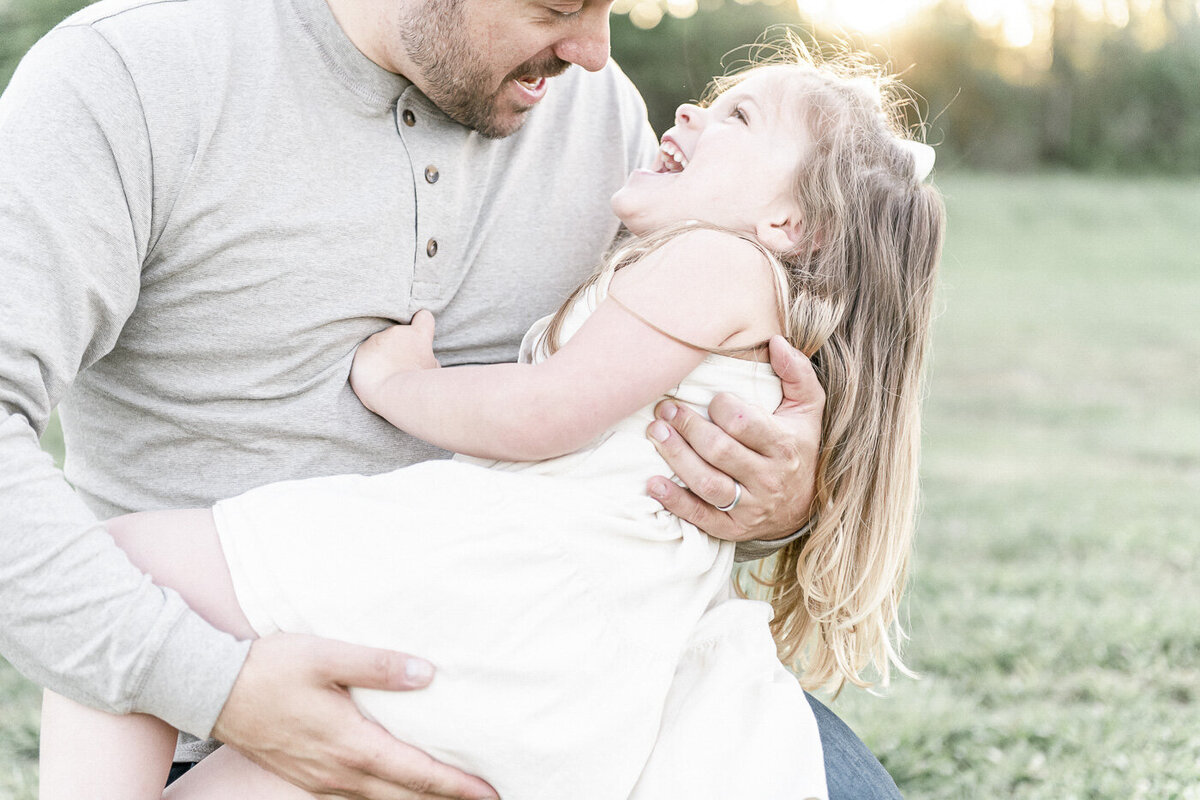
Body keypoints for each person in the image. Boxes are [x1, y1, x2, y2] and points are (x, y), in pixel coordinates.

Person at [0, 0, 895, 797]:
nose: (593, 48)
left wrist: (775, 495)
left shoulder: (598, 116)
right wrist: (209, 682)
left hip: (566, 690)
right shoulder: (126, 79)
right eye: (560, 4)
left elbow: (626, 417)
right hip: (209, 685)